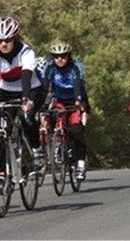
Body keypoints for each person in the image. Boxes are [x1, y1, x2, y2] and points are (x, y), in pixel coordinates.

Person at [0, 16, 46, 171]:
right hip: (6, 90)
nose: (3, 44)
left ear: (15, 38)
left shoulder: (26, 52)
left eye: (8, 40)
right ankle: (0, 174)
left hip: (30, 88)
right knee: (2, 131)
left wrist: (26, 99)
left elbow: (26, 77)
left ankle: (37, 151)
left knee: (27, 117)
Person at [41, 41, 90, 180]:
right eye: (56, 57)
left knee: (77, 131)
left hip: (75, 99)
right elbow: (45, 87)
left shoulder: (76, 67)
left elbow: (77, 85)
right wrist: (41, 103)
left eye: (63, 56)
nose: (60, 59)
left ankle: (80, 165)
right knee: (51, 116)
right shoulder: (49, 67)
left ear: (68, 56)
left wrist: (78, 100)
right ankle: (57, 141)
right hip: (59, 100)